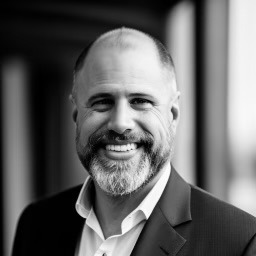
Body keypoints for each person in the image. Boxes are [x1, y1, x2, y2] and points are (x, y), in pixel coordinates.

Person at [12, 27, 256, 256]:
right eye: (102, 101)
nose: (120, 123)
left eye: (140, 101)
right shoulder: (36, 224)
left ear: (172, 115)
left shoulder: (240, 242)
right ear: (76, 114)